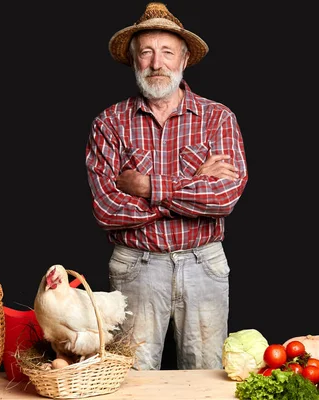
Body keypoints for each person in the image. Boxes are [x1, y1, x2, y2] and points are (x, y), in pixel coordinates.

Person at [85, 2, 248, 371]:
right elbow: (107, 209)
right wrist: (190, 186)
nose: (157, 63)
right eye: (146, 52)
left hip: (203, 263)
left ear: (184, 59)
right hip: (136, 266)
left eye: (167, 52)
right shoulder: (109, 124)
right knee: (134, 380)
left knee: (207, 376)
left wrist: (145, 186)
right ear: (134, 60)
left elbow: (224, 197)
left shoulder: (217, 118)